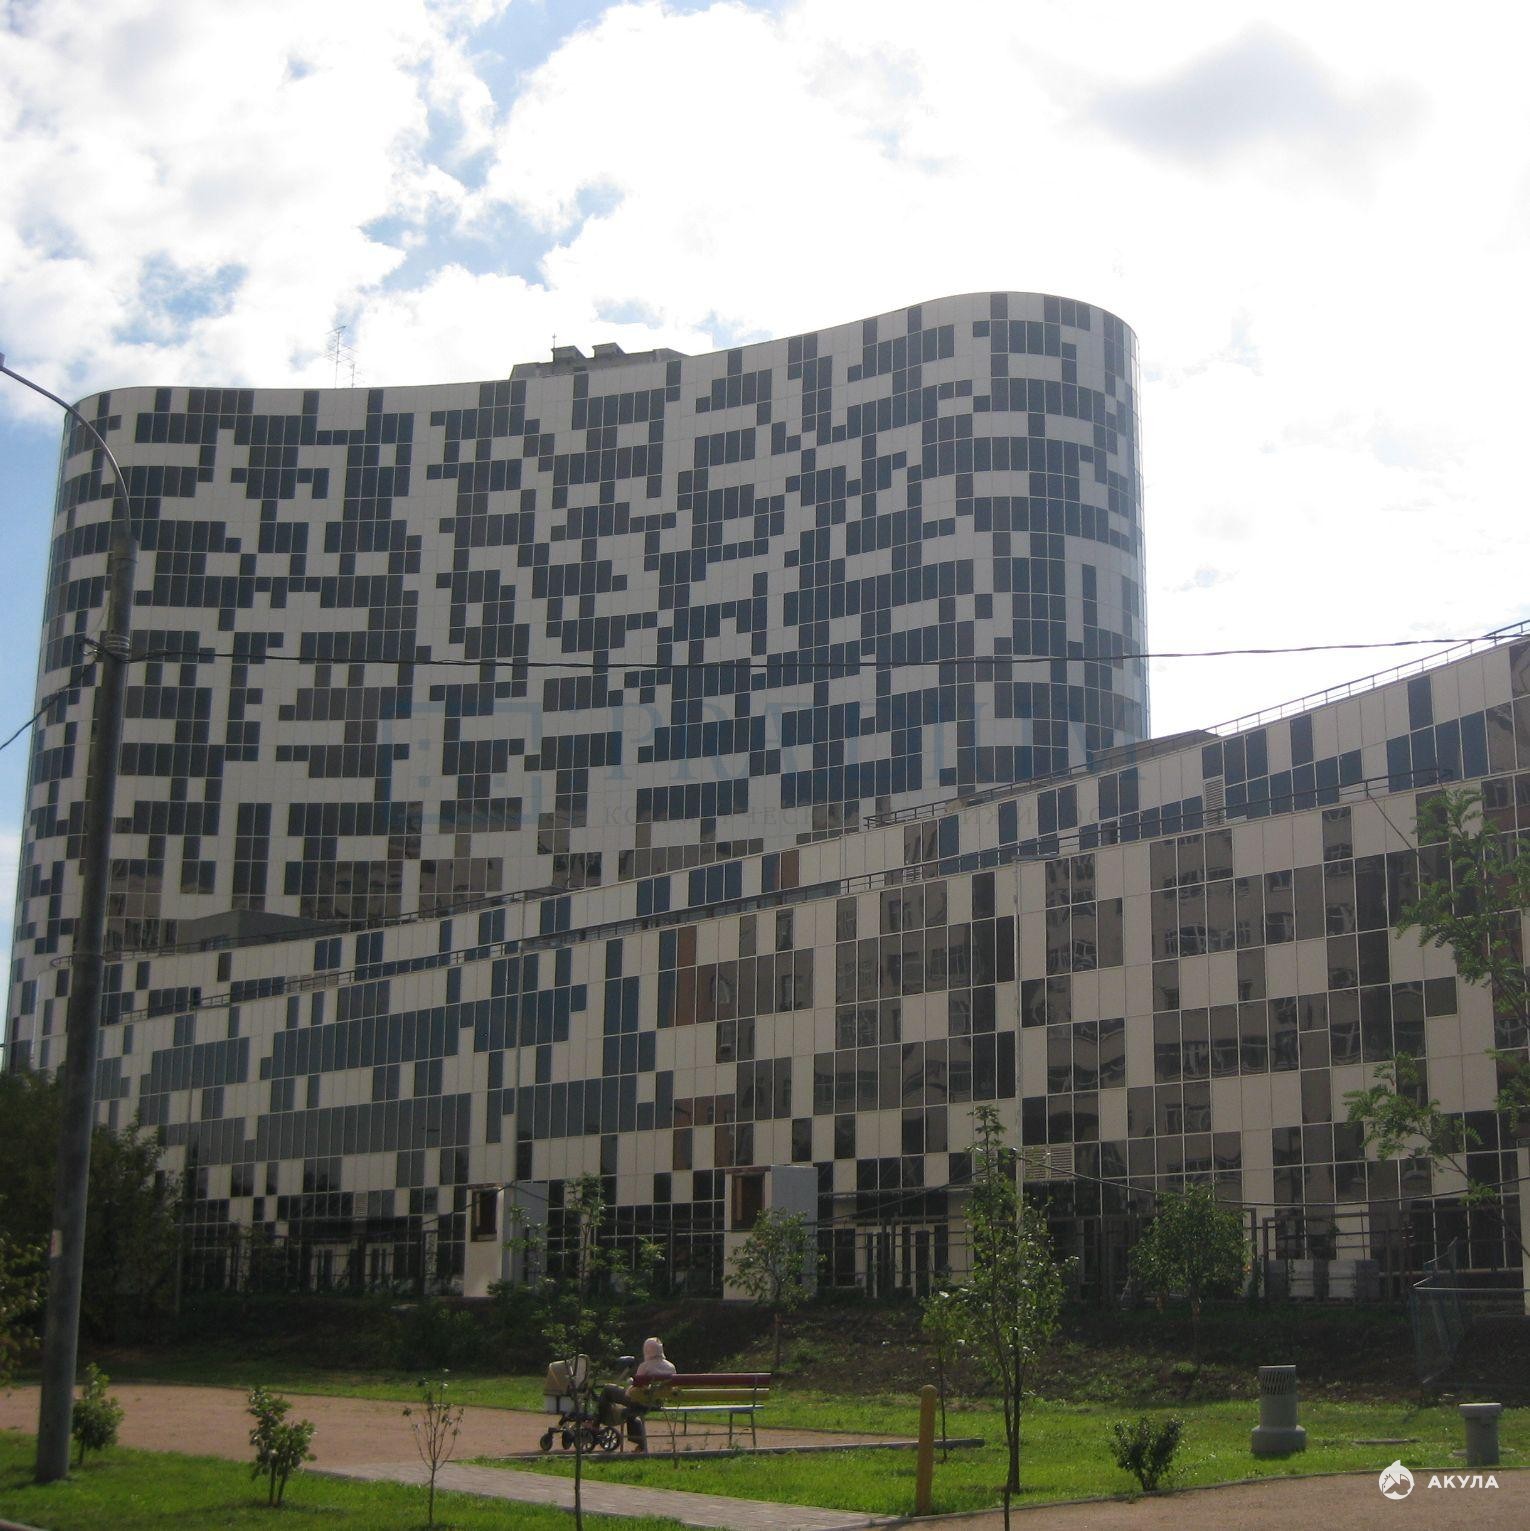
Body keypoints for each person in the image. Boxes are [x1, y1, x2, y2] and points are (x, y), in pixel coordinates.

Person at [623, 1336, 677, 1450]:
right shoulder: (671, 1366)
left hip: (643, 1403)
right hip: (659, 1403)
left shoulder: (645, 1366)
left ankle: (595, 1423)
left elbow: (636, 1386)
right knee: (630, 1408)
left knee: (611, 1392)